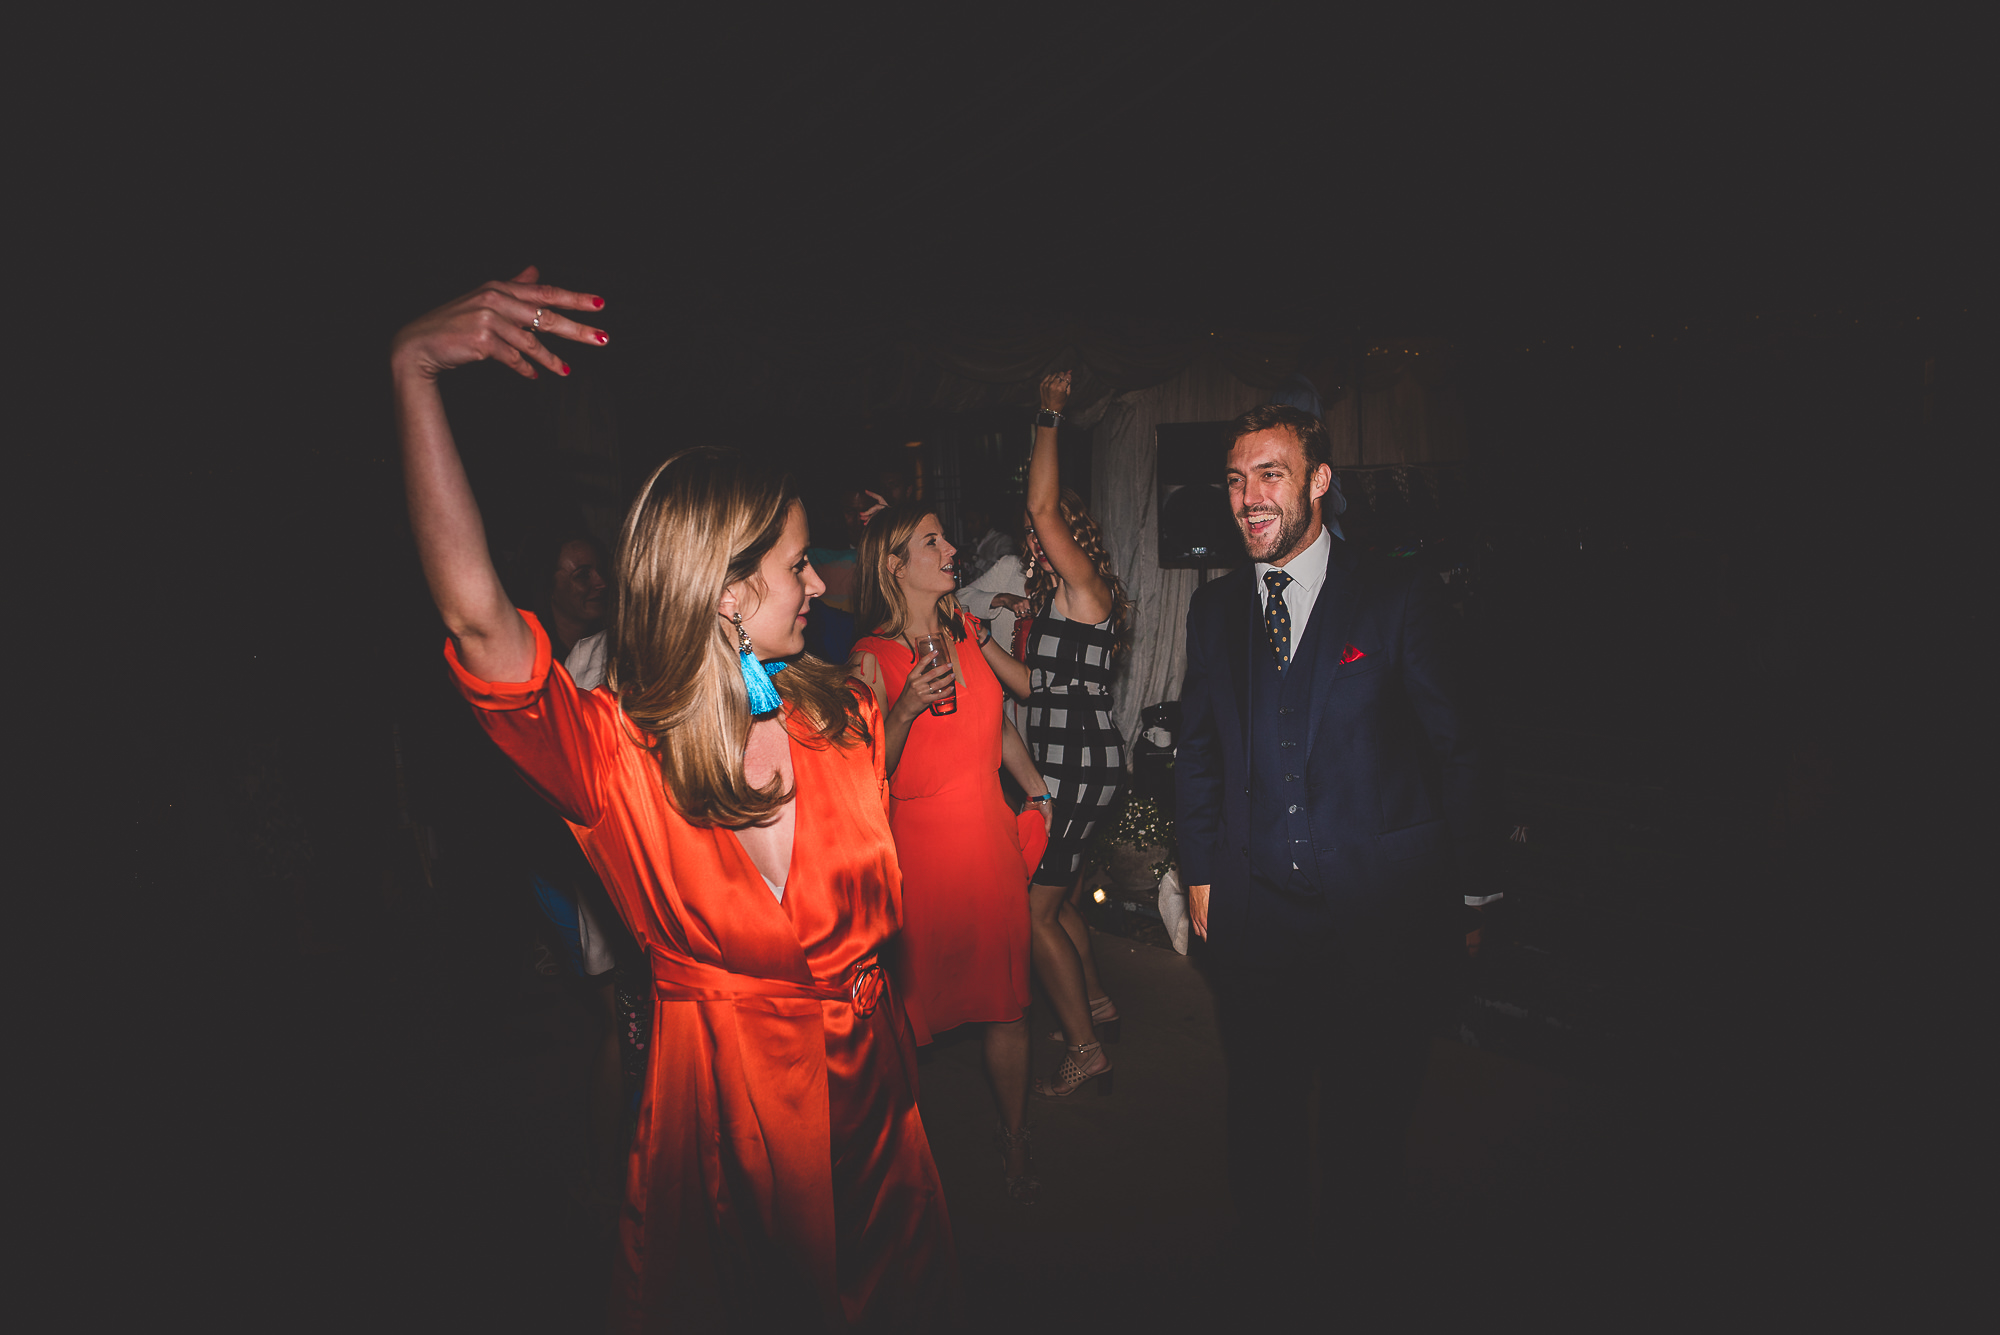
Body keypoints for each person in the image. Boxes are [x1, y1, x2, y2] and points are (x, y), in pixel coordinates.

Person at [391, 267, 955, 1331]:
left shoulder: (848, 716)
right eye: (799, 566)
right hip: (719, 1130)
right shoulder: (612, 759)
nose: (820, 584)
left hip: (874, 1115)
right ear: (731, 593)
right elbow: (477, 627)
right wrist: (413, 369)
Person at [1174, 403, 1492, 1300]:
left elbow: (1457, 745)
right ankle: (1272, 1277)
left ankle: (1360, 1283)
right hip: (1257, 916)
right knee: (1263, 1118)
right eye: (1236, 480)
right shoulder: (1214, 608)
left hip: (1377, 917)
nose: (1248, 498)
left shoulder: (1395, 592)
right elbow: (1196, 749)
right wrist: (1199, 868)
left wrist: (1471, 893)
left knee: (1366, 1128)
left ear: (1317, 481)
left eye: (1269, 474)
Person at [846, 503, 1053, 1202]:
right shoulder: (869, 658)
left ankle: (1016, 1139)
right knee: (908, 1023)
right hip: (920, 853)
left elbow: (997, 725)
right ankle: (901, 1160)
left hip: (989, 838)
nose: (952, 546)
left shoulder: (966, 628)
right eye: (931, 540)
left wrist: (1037, 790)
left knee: (1008, 1004)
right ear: (895, 565)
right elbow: (863, 773)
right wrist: (902, 708)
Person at [978, 372, 1130, 1099]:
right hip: (1079, 764)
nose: (1035, 542)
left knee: (1033, 912)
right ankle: (1094, 1004)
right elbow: (1035, 688)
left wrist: (1048, 415)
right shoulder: (1066, 604)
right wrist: (979, 643)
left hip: (1076, 769)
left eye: (1044, 536)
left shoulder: (1086, 591)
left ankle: (1084, 1048)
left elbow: (1040, 506)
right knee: (1062, 899)